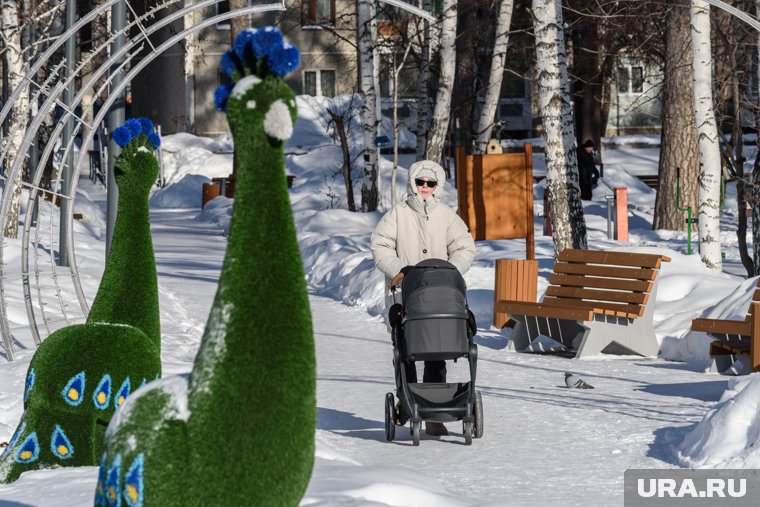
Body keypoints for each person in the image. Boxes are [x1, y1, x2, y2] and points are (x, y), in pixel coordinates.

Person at [371, 160, 476, 436]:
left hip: (440, 297)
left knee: (436, 352)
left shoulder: (447, 215)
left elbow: (464, 246)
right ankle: (407, 404)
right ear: (413, 184)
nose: (425, 188)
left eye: (431, 183)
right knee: (406, 352)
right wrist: (397, 269)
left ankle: (433, 413)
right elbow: (380, 245)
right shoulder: (398, 214)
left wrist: (452, 270)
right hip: (405, 295)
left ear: (438, 185)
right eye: (421, 183)